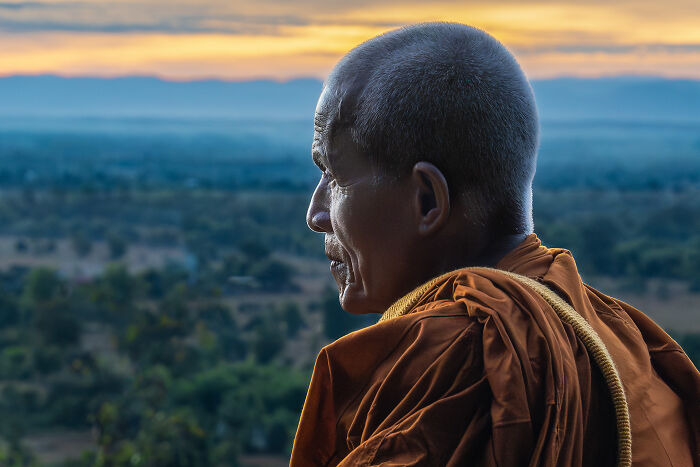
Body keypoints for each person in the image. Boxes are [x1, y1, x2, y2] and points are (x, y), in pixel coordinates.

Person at [290, 22, 699, 466]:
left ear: (427, 200)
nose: (316, 215)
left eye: (334, 176)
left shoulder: (455, 365)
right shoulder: (621, 338)